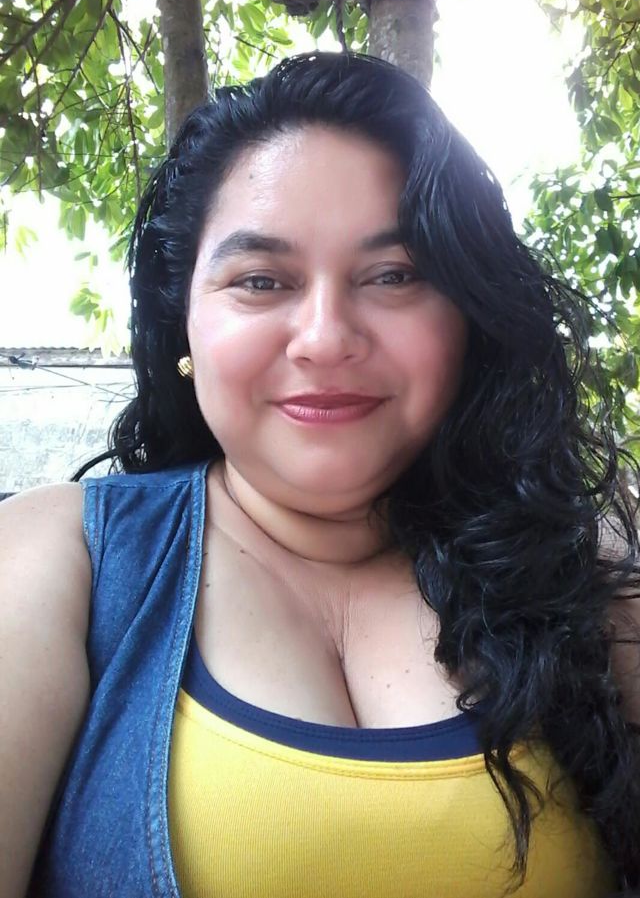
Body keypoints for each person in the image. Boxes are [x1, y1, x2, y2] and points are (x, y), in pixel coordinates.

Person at [1, 50, 639, 898]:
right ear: (182, 319)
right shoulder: (59, 558)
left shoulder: (587, 571)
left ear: (469, 319)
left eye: (395, 275)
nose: (327, 337)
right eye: (261, 280)